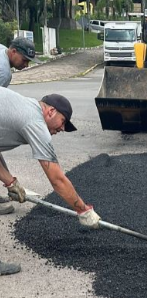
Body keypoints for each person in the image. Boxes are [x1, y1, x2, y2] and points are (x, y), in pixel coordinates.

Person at [0, 88, 101, 276]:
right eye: (63, 122)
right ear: (51, 111)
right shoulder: (35, 123)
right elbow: (57, 179)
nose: (62, 129)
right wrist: (83, 210)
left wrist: (10, 182)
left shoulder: (26, 108)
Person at [0, 37, 41, 215]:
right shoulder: (3, 72)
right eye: (24, 60)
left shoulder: (2, 50)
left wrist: (8, 179)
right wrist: (10, 181)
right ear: (13, 51)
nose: (26, 65)